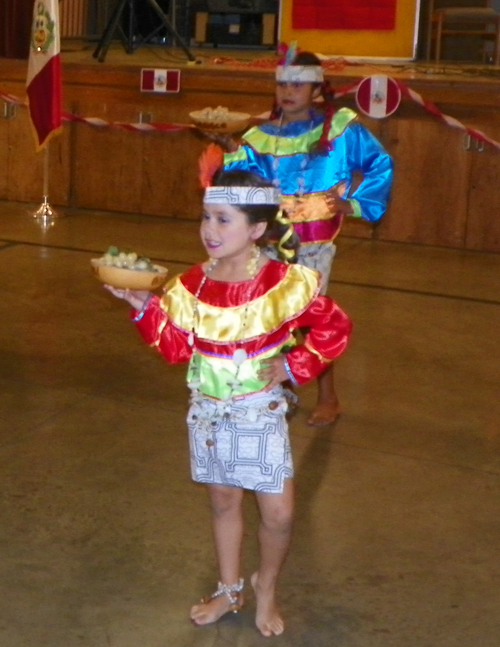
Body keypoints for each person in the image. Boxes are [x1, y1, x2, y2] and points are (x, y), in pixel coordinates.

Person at [104, 169, 352, 637]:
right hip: (209, 414)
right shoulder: (189, 286)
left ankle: (267, 587)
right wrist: (142, 305)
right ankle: (229, 587)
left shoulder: (286, 282)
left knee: (279, 514)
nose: (209, 230)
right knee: (223, 500)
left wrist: (294, 367)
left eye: (223, 220)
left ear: (257, 230)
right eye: (205, 218)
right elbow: (177, 348)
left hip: (260, 413)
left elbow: (334, 327)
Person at [222, 48, 393, 427]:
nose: (288, 91)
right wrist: (232, 150)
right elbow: (244, 178)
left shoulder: (341, 129)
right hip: (267, 239)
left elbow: (380, 162)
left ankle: (328, 396)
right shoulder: (259, 133)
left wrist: (353, 203)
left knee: (311, 319)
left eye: (297, 83)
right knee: (266, 316)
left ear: (317, 87)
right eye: (282, 82)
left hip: (314, 243)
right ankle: (274, 386)